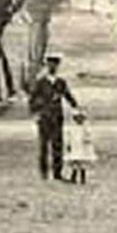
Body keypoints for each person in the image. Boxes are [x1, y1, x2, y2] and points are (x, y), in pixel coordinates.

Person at [28, 53, 79, 181]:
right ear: (47, 65)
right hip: (44, 118)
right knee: (43, 146)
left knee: (57, 145)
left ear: (57, 66)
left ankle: (57, 172)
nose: (52, 67)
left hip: (57, 117)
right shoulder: (41, 83)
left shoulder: (60, 82)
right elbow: (32, 100)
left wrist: (76, 109)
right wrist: (36, 113)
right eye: (50, 64)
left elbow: (68, 96)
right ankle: (44, 172)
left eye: (55, 64)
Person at [63, 109, 97, 185]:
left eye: (81, 118)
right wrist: (69, 144)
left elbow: (88, 137)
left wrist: (87, 141)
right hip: (75, 147)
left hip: (82, 148)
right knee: (74, 163)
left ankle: (83, 178)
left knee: (82, 164)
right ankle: (73, 177)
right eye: (77, 118)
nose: (79, 120)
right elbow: (69, 137)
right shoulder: (72, 128)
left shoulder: (85, 128)